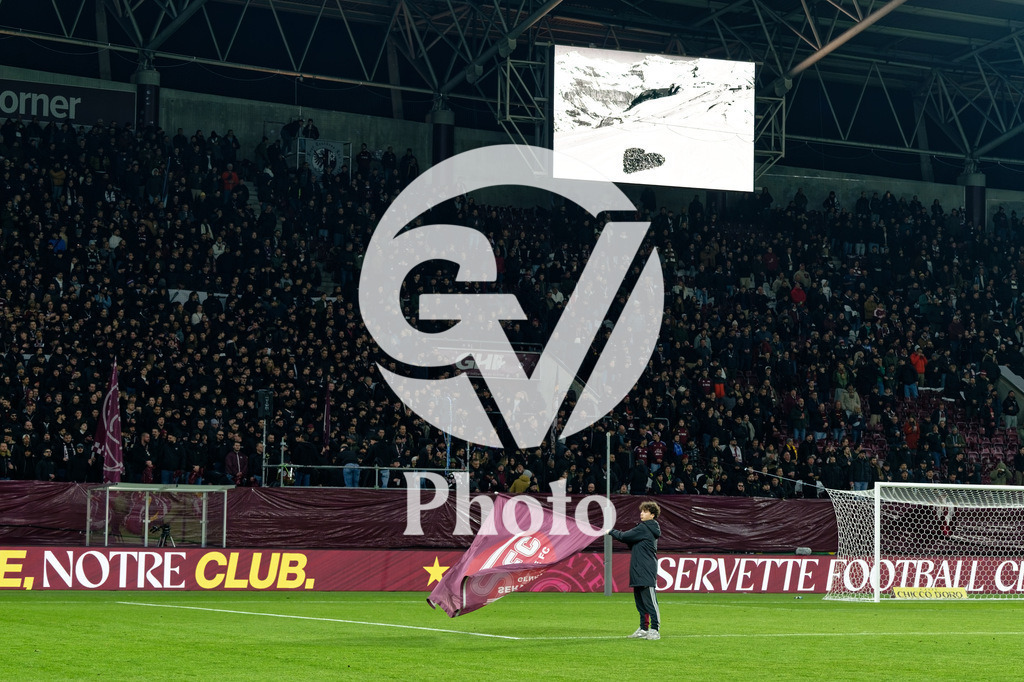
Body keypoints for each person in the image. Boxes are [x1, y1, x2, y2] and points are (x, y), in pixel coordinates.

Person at [609, 500, 662, 640]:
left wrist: (610, 531)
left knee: (650, 602)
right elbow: (629, 541)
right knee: (640, 602)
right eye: (641, 511)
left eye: (645, 511)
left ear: (652, 515)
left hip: (646, 569)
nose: (641, 514)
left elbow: (623, 536)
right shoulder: (645, 529)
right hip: (638, 569)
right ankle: (644, 628)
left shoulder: (644, 527)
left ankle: (655, 629)